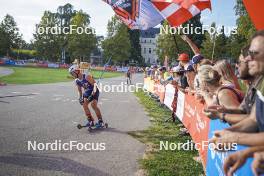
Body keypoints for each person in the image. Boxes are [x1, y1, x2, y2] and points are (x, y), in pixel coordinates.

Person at [204, 45, 263, 125]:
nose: (236, 65)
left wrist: (221, 115)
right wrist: (224, 111)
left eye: (239, 62)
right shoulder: (253, 87)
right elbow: (243, 110)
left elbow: (255, 121)